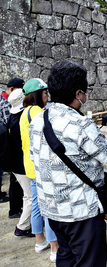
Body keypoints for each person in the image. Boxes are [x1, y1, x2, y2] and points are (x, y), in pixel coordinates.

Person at [29, 60, 107, 266]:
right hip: (81, 213)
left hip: (52, 209)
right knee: (90, 261)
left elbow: (37, 158)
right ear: (79, 94)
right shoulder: (80, 124)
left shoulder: (38, 121)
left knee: (66, 256)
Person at [20, 78, 59, 262]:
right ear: (37, 95)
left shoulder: (23, 112)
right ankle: (54, 248)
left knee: (37, 204)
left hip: (29, 165)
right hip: (40, 165)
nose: (47, 96)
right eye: (45, 93)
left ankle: (39, 240)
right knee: (49, 206)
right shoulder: (37, 112)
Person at [7, 89, 35, 237]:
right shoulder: (21, 120)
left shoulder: (12, 119)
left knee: (26, 195)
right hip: (21, 164)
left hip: (15, 164)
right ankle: (22, 227)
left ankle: (27, 223)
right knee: (30, 197)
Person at [0, 78, 25, 205]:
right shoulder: (6, 104)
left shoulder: (2, 99)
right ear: (12, 89)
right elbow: (8, 127)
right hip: (6, 143)